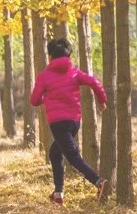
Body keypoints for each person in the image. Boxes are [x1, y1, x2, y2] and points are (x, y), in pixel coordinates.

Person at [30, 38, 109, 205]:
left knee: (72, 157)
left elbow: (34, 100)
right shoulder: (75, 73)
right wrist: (101, 101)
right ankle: (58, 194)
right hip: (74, 122)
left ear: (50, 56)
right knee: (55, 153)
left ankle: (98, 181)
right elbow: (94, 82)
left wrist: (47, 97)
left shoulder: (44, 76)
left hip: (58, 123)